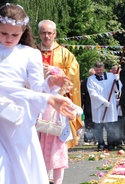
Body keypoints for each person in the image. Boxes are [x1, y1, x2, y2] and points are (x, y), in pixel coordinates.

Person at [0, 3, 75, 183]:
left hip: (16, 118)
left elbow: (36, 89)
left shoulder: (30, 53)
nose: (9, 38)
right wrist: (45, 97)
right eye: (3, 33)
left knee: (20, 165)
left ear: (24, 31)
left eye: (15, 35)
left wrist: (50, 82)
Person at [37, 19, 82, 148]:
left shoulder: (64, 53)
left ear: (55, 34)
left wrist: (55, 71)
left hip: (57, 98)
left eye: (50, 33)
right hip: (38, 97)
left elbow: (73, 71)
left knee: (56, 137)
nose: (47, 36)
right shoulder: (33, 52)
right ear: (39, 34)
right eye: (43, 33)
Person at [39, 66, 83, 184]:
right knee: (43, 161)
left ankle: (58, 182)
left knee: (58, 162)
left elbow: (79, 109)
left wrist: (73, 112)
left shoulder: (62, 98)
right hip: (43, 134)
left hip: (58, 136)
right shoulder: (42, 96)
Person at [87, 61, 121, 151]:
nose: (99, 71)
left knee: (110, 125)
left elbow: (117, 89)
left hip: (110, 105)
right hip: (98, 106)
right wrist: (103, 101)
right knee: (99, 126)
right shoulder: (91, 79)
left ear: (103, 68)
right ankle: (101, 143)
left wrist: (117, 81)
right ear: (94, 69)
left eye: (100, 69)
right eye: (97, 70)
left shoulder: (110, 76)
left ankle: (110, 143)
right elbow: (92, 93)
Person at [81, 68, 95, 143]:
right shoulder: (84, 83)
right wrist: (81, 105)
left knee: (95, 122)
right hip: (88, 105)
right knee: (88, 122)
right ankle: (87, 137)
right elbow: (82, 95)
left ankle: (95, 137)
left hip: (96, 105)